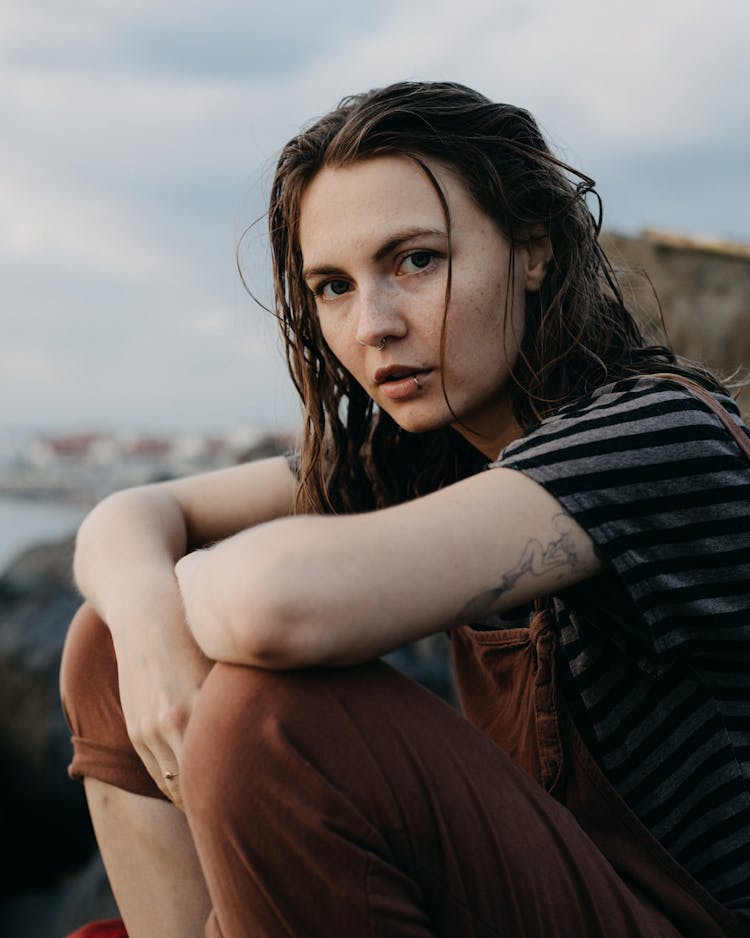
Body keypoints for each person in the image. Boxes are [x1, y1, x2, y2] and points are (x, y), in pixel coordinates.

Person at [60, 81, 750, 937]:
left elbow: (271, 605)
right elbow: (126, 516)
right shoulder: (429, 454)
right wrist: (147, 627)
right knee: (107, 640)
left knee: (275, 721)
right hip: (533, 891)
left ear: (532, 250)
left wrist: (177, 612)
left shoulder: (658, 435)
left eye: (416, 260)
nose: (373, 325)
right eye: (333, 286)